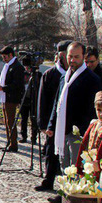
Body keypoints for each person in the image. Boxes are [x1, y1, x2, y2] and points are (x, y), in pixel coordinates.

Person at [46, 41, 102, 203]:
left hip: (79, 130)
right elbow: (58, 103)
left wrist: (85, 129)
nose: (72, 60)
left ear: (83, 57)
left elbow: (93, 108)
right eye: (70, 56)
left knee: (76, 164)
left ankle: (75, 195)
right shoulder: (65, 75)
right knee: (64, 163)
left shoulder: (91, 79)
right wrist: (51, 125)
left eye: (76, 57)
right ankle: (65, 192)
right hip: (63, 128)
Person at [34, 41, 70, 193]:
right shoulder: (51, 74)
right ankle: (49, 180)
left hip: (70, 121)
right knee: (51, 152)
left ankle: (68, 186)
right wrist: (43, 123)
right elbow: (42, 100)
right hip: (52, 122)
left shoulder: (76, 74)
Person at [0, 46, 25, 152]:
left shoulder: (17, 67)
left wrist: (3, 88)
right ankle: (9, 142)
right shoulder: (8, 66)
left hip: (12, 97)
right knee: (7, 121)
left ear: (11, 55)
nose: (4, 59)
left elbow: (17, 84)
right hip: (5, 96)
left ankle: (13, 144)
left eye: (5, 56)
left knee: (11, 121)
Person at [19, 60, 41, 144]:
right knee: (23, 119)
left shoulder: (37, 75)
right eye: (26, 67)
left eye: (28, 67)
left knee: (33, 119)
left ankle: (34, 137)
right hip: (24, 99)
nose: (27, 69)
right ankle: (23, 136)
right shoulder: (22, 74)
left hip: (33, 99)